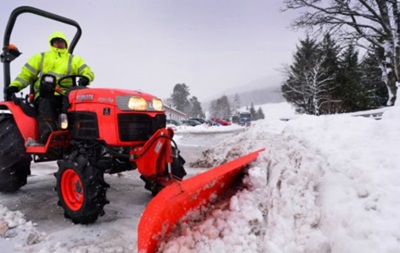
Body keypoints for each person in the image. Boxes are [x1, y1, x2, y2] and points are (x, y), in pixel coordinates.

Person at [6, 31, 95, 144]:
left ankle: (85, 135)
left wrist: (86, 78)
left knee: (85, 99)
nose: (59, 44)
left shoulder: (74, 60)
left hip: (66, 94)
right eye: (56, 42)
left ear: (66, 44)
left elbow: (87, 71)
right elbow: (26, 74)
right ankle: (47, 136)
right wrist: (15, 86)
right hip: (46, 93)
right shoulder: (41, 57)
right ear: (52, 43)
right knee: (47, 100)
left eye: (61, 41)